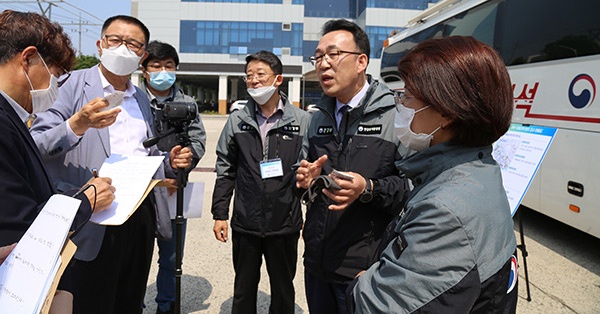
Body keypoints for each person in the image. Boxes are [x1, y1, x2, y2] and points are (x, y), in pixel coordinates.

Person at [29, 15, 193, 314]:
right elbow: (35, 145)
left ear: (142, 56)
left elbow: (143, 152)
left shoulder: (141, 98)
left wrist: (168, 163)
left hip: (138, 215)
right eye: (115, 40)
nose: (122, 48)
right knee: (90, 299)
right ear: (100, 45)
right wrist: (76, 125)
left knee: (129, 298)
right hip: (91, 215)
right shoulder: (70, 86)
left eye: (132, 44)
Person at [349, 36, 518, 313]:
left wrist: (363, 284)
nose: (399, 105)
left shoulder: (447, 210)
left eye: (407, 97)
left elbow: (379, 305)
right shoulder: (478, 169)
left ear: (447, 113)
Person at [0, 9, 116, 312]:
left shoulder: (12, 117)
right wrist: (87, 199)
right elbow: (22, 224)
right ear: (28, 59)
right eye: (55, 75)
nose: (56, 85)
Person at [295, 19, 410, 314]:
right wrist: (306, 180)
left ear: (361, 62)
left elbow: (413, 189)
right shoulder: (316, 118)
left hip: (366, 270)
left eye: (333, 55)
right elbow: (307, 173)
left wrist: (368, 188)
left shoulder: (395, 117)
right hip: (318, 261)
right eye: (318, 57)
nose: (323, 64)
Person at [211, 50, 310, 314]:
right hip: (246, 223)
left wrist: (310, 217)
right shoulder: (237, 121)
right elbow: (225, 168)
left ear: (278, 79)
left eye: (260, 74)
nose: (253, 80)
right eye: (248, 76)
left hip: (284, 223)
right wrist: (220, 214)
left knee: (283, 287)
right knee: (243, 288)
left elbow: (309, 174)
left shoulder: (301, 122)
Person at [139, 40, 207, 314]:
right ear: (144, 69)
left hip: (174, 191)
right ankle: (132, 302)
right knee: (137, 255)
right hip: (140, 191)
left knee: (171, 257)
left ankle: (166, 306)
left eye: (168, 66)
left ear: (176, 69)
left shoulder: (187, 103)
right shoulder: (133, 99)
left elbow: (199, 140)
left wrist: (188, 157)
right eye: (156, 66)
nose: (162, 71)